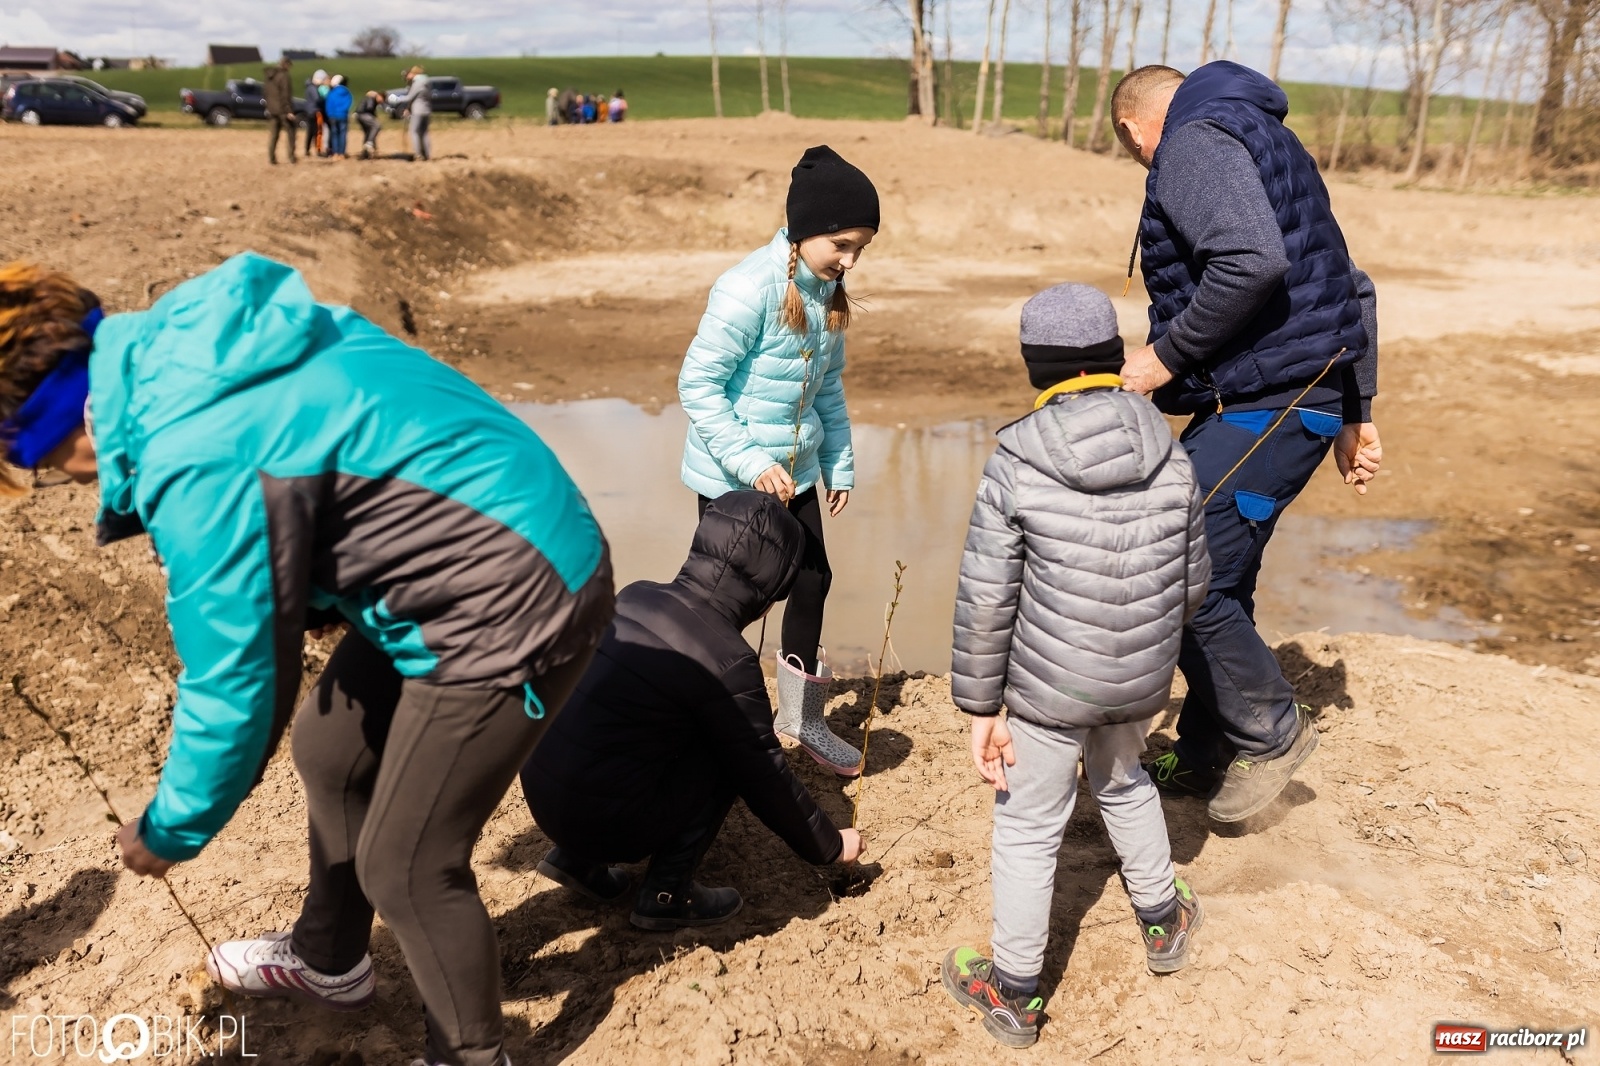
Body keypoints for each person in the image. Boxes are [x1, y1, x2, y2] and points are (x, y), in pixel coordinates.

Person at [0, 253, 615, 1066]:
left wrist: (169, 829)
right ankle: (330, 960)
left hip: (517, 594)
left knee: (407, 862)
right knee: (330, 749)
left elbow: (238, 679)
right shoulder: (186, 347)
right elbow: (332, 462)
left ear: (58, 425)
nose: (53, 480)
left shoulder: (189, 452)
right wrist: (325, 594)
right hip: (476, 548)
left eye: (36, 464)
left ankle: (469, 1055)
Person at [1110, 62, 1383, 823]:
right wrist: (1356, 408)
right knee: (1215, 570)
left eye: (1135, 154)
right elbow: (1350, 287)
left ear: (1135, 130)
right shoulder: (1266, 138)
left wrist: (1163, 357)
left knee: (1172, 560)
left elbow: (1250, 261)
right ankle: (1206, 750)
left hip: (1273, 395)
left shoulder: (1194, 143)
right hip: (1289, 391)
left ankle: (1270, 732)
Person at [940, 283, 1211, 1049]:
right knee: (1126, 785)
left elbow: (987, 600)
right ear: (1110, 357)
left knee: (1028, 828)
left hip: (1043, 693)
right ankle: (1163, 920)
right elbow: (1193, 588)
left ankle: (1016, 992)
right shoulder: (1171, 449)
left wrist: (980, 708)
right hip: (1139, 684)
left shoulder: (1016, 461)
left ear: (1038, 370)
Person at [521, 492, 862, 930]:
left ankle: (576, 862)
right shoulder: (729, 661)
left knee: (623, 722)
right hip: (604, 821)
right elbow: (765, 776)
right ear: (769, 590)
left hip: (544, 798)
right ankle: (666, 894)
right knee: (729, 755)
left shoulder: (635, 594)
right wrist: (831, 845)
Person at [678, 144, 875, 777]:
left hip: (798, 473)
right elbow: (697, 386)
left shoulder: (827, 293)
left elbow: (829, 390)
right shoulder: (746, 289)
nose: (848, 260)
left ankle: (803, 720)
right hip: (734, 476)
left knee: (812, 580)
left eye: (860, 249)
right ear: (803, 229)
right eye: (840, 244)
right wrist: (751, 463)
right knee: (727, 601)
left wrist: (838, 464)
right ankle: (706, 713)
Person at [265, 57, 296, 165]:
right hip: (282, 110)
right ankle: (291, 157)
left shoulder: (269, 76)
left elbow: (265, 93)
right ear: (286, 65)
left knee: (274, 135)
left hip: (272, 109)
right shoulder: (284, 76)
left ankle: (271, 158)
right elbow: (285, 95)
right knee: (291, 132)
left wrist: (268, 107)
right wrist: (289, 111)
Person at [401, 65, 432, 161]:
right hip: (427, 110)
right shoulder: (427, 82)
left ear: (413, 73)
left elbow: (410, 97)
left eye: (408, 74)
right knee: (424, 133)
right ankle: (427, 154)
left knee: (414, 132)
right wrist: (408, 109)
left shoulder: (417, 83)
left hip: (418, 111)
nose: (406, 77)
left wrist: (395, 99)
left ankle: (418, 154)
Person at [323, 75, 351, 160]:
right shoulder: (347, 92)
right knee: (342, 134)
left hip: (333, 116)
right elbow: (349, 102)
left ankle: (335, 153)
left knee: (334, 135)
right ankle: (341, 153)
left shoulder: (332, 92)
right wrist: (344, 110)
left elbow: (329, 104)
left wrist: (330, 114)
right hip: (343, 115)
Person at [303, 68, 327, 158]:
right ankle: (318, 150)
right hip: (316, 111)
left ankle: (307, 149)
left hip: (309, 111)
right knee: (318, 132)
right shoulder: (313, 88)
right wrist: (324, 99)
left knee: (310, 131)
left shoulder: (308, 87)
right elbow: (317, 99)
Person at [356, 90, 383, 157]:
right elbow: (369, 107)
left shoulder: (371, 99)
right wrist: (374, 116)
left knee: (368, 131)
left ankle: (366, 152)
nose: (382, 101)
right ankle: (369, 143)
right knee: (377, 125)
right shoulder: (371, 99)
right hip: (363, 114)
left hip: (359, 115)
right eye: (382, 99)